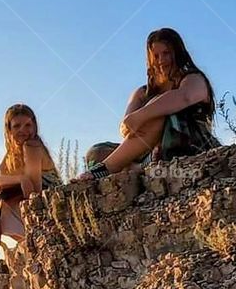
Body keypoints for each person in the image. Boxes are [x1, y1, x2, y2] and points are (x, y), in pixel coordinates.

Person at [81, 28, 219, 178]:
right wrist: (129, 124)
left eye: (166, 53)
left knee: (158, 111)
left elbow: (184, 97)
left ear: (177, 53)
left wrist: (142, 116)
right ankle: (137, 166)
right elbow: (127, 126)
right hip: (146, 150)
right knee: (95, 152)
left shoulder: (193, 79)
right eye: (156, 56)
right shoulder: (142, 93)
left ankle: (107, 169)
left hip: (186, 144)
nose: (161, 61)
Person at [0, 104, 62, 241]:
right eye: (17, 126)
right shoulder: (13, 153)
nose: (23, 130)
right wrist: (20, 179)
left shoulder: (31, 146)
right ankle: (27, 243)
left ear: (34, 127)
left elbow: (35, 195)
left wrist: (23, 182)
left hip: (50, 202)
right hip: (36, 202)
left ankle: (31, 242)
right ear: (9, 129)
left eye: (27, 125)